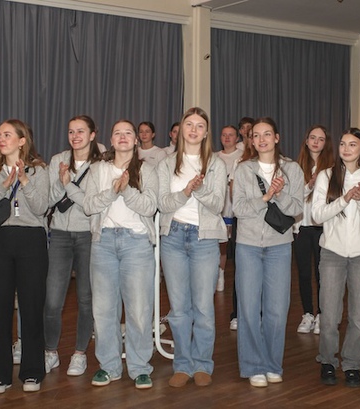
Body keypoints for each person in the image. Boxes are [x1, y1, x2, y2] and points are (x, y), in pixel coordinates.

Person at [83, 119, 158, 390]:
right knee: (103, 310)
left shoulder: (147, 170)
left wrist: (126, 190)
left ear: (136, 140)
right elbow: (89, 206)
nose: (123, 136)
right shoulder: (97, 170)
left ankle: (139, 367)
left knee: (139, 310)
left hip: (136, 243)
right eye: (117, 133)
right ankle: (109, 366)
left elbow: (150, 207)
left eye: (128, 133)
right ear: (111, 140)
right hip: (103, 242)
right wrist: (112, 192)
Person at [0, 119, 49, 394]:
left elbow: (41, 207)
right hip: (0, 240)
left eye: (7, 134)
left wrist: (24, 181)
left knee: (31, 307)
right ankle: (0, 375)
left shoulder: (39, 170)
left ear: (22, 140)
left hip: (31, 239)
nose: (1, 139)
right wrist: (3, 185)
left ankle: (32, 372)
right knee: (0, 308)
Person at [233, 117, 304, 388]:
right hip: (248, 246)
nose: (261, 139)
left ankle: (273, 364)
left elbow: (296, 209)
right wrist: (265, 198)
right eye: (256, 135)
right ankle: (253, 365)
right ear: (251, 140)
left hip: (279, 246)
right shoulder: (243, 169)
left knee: (277, 309)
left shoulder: (292, 169)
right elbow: (238, 209)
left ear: (277, 137)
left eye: (266, 134)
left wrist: (280, 194)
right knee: (249, 309)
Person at [158, 107, 226, 388]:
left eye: (199, 125)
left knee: (203, 307)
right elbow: (163, 203)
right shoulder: (166, 163)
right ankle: (182, 364)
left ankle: (202, 364)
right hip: (172, 237)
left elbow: (218, 205)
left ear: (206, 132)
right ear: (180, 129)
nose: (194, 130)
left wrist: (199, 188)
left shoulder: (216, 164)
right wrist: (185, 191)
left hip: (204, 239)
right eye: (189, 124)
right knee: (179, 308)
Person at [312, 127, 360, 387]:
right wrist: (344, 199)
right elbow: (317, 215)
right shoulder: (326, 175)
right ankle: (328, 361)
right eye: (343, 144)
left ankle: (352, 364)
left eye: (353, 144)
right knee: (329, 315)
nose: (347, 148)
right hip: (332, 252)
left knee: (359, 316)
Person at [44, 115, 101, 377]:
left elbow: (92, 203)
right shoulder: (58, 160)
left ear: (92, 135)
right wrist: (61, 182)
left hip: (88, 234)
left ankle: (79, 353)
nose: (75, 136)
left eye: (80, 131)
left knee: (86, 298)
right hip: (59, 234)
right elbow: (49, 200)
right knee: (52, 298)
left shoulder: (101, 165)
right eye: (71, 131)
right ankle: (50, 352)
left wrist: (69, 185)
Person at [293, 125, 334, 335]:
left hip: (322, 227)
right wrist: (309, 184)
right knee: (303, 273)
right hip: (301, 226)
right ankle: (307, 313)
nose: (316, 142)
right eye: (313, 138)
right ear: (306, 140)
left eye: (321, 139)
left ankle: (321, 314)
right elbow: (292, 198)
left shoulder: (332, 168)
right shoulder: (295, 166)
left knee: (322, 273)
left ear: (326, 143)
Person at [216, 125, 242, 292]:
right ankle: (220, 273)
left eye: (230, 135)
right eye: (224, 135)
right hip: (221, 203)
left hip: (237, 204)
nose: (227, 138)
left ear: (237, 138)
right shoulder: (214, 157)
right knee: (221, 242)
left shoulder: (242, 156)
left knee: (237, 242)